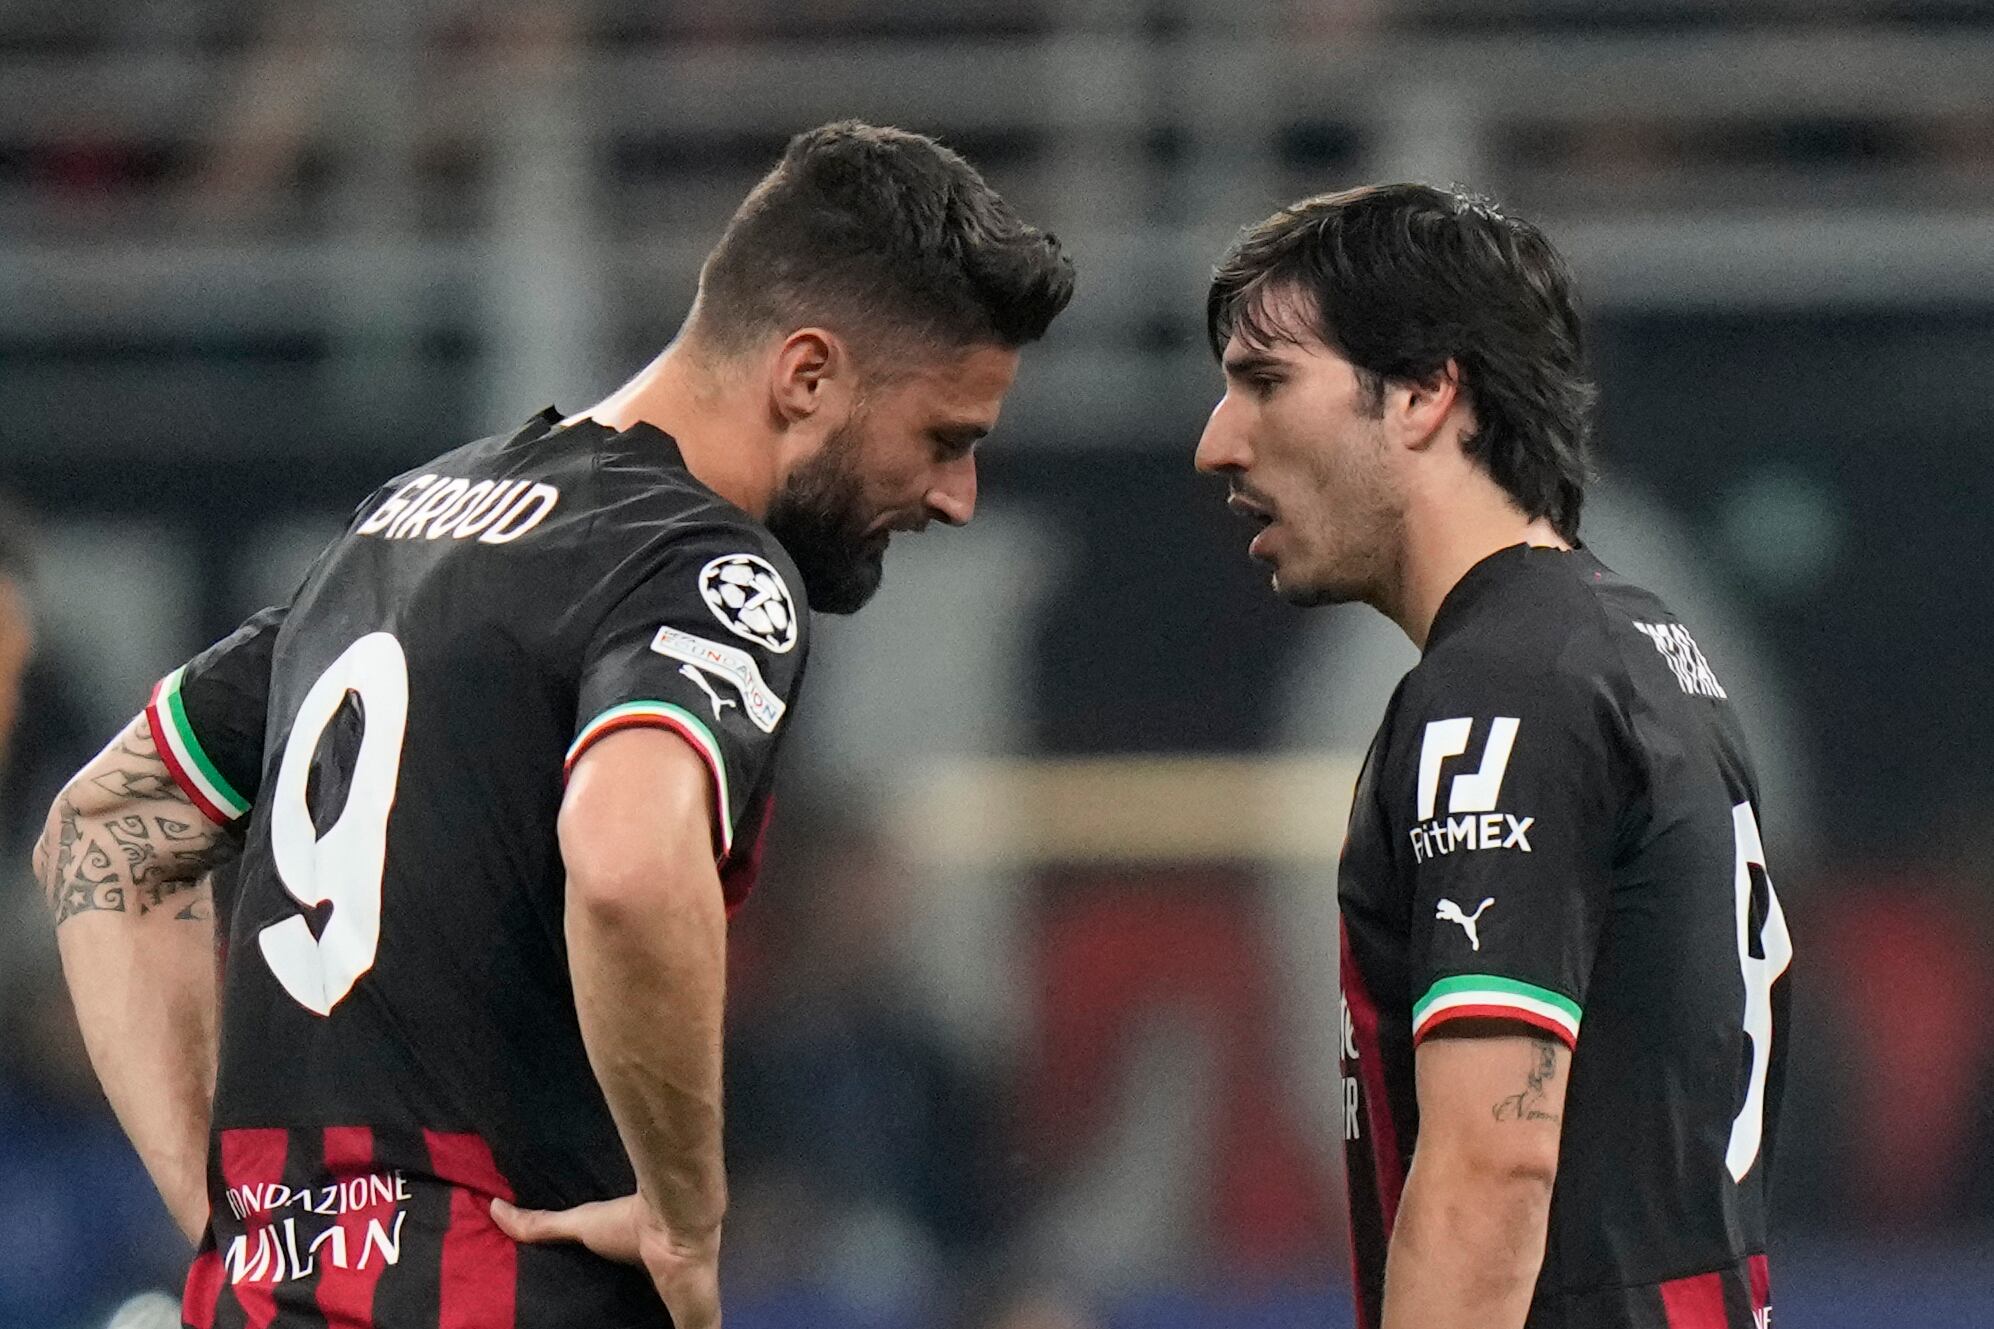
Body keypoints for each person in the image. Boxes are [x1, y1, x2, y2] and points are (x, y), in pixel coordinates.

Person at [33, 120, 1072, 1329]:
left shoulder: (406, 528)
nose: (956, 495)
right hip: (500, 1282)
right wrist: (686, 1210)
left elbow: (116, 820)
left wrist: (230, 1221)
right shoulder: (701, 564)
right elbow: (629, 863)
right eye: (945, 439)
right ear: (804, 376)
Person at [1194, 185, 1790, 1329]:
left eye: (1264, 381)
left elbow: (1490, 1171)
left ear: (1425, 391)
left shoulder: (1504, 690)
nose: (1216, 441)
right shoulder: (1637, 650)